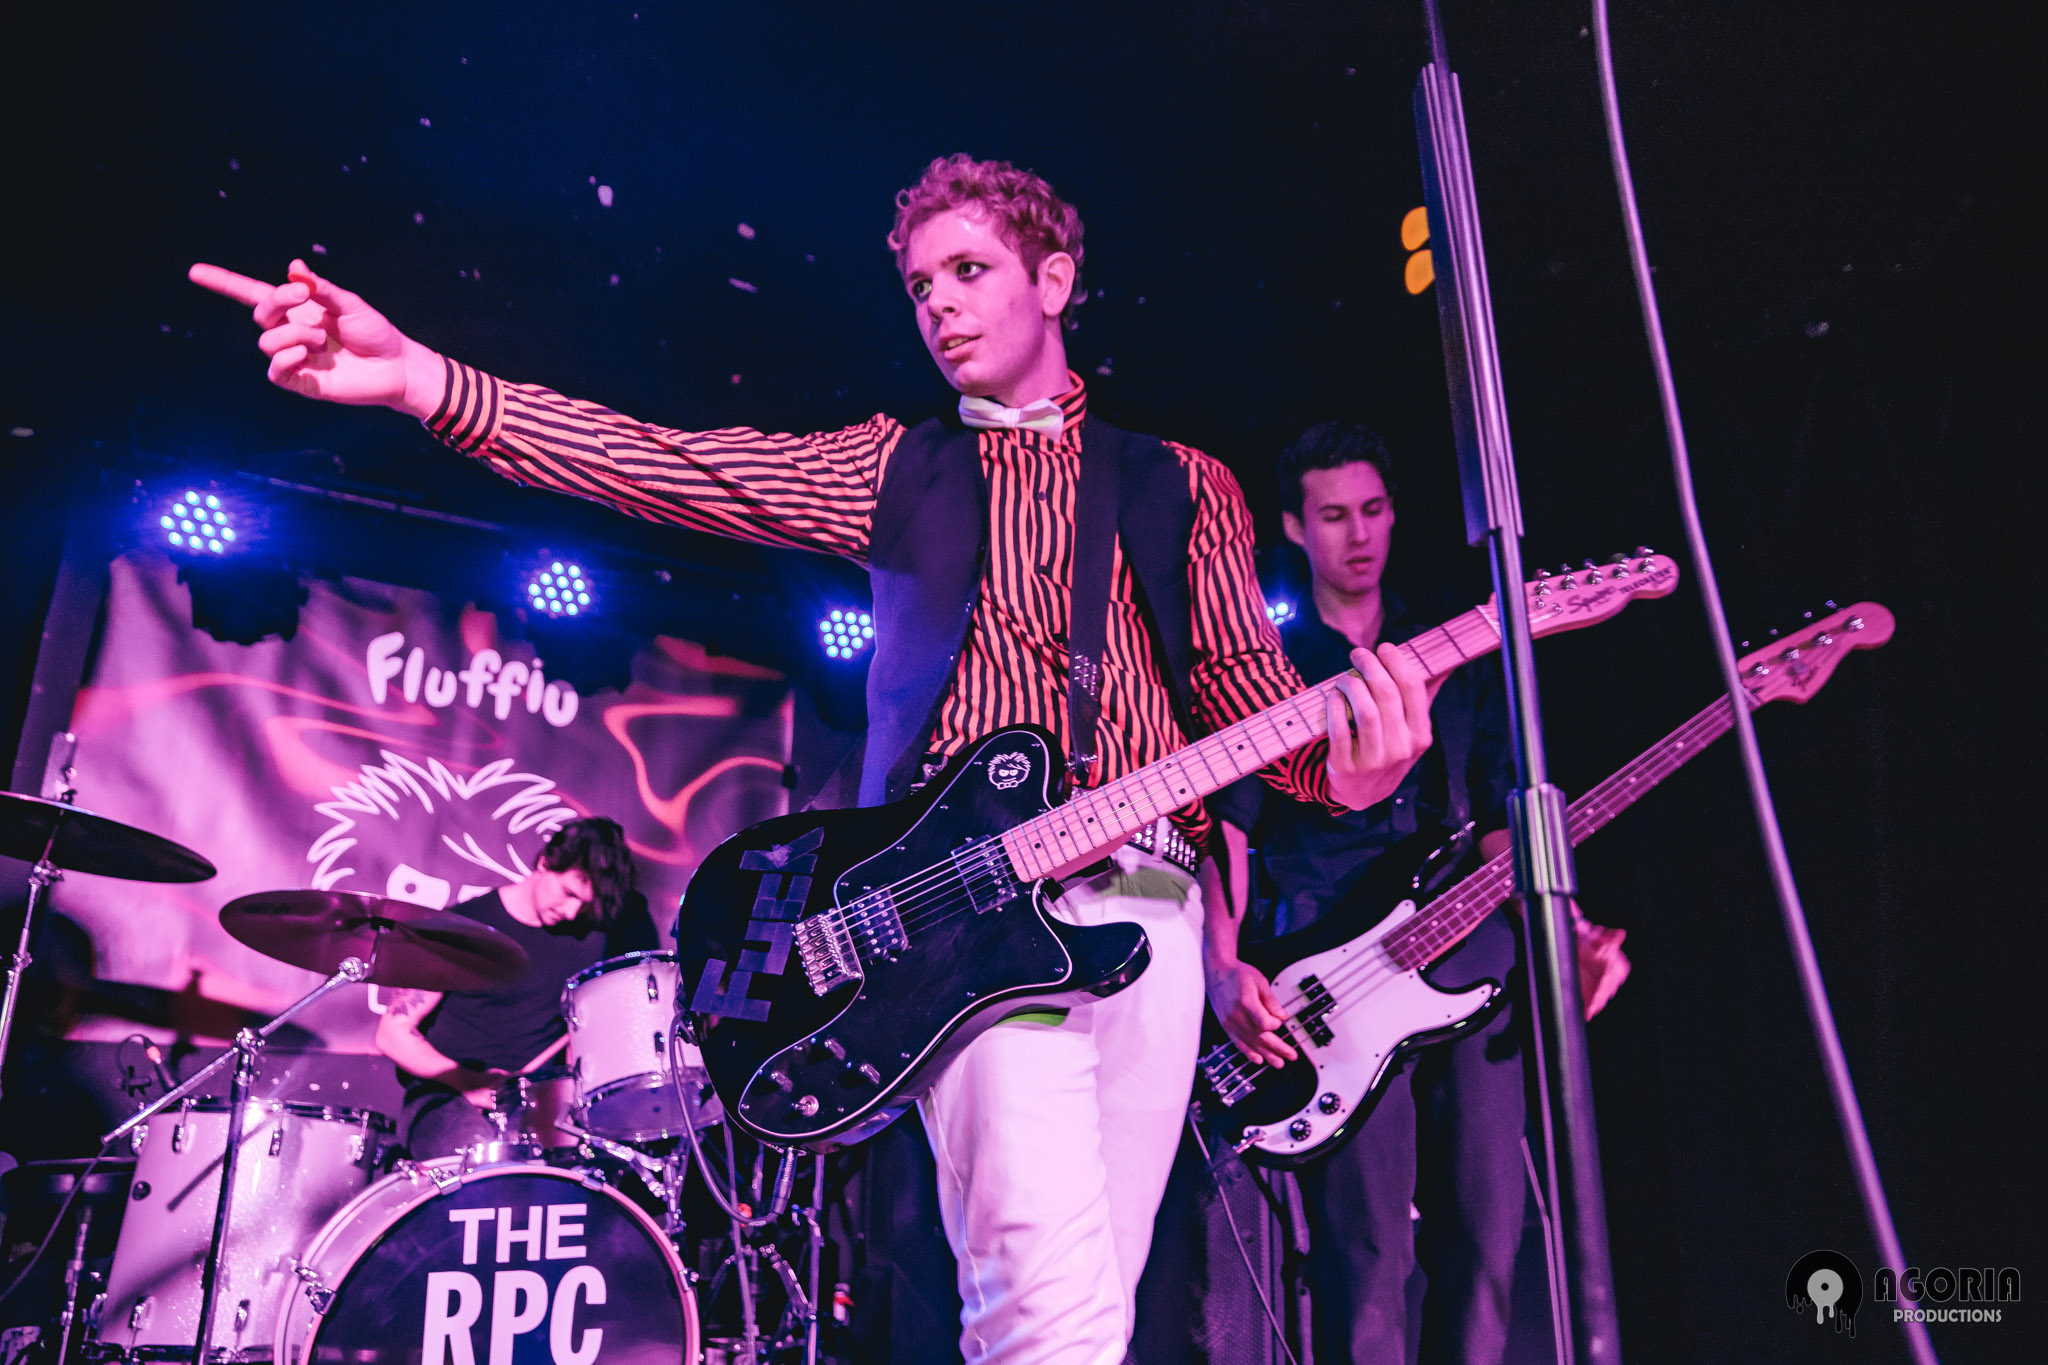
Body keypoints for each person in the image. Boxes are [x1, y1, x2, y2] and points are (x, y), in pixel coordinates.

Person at [192, 154, 1434, 1365]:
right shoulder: (896, 466)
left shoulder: (1182, 485)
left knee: (1095, 1310)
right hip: (979, 914)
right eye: (918, 285)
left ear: (1053, 281)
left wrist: (1360, 773)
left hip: (1154, 919)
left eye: (966, 270)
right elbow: (674, 466)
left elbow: (1257, 717)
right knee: (1044, 1312)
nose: (936, 303)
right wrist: (425, 381)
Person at [1204, 422, 1629, 1365]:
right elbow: (1225, 824)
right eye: (1332, 515)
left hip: (1469, 944)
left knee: (1484, 1233)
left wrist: (1561, 929)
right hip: (1330, 970)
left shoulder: (1453, 645)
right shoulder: (1267, 664)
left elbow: (1493, 815)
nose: (1358, 534)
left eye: (1373, 510)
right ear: (1294, 527)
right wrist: (1222, 961)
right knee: (1367, 1251)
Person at [375, 816, 654, 1159]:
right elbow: (392, 1032)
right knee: (478, 1164)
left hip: (536, 1102)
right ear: (546, 862)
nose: (571, 912)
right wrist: (469, 1083)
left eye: (584, 904)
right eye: (568, 893)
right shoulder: (459, 928)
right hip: (445, 1095)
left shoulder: (590, 942)